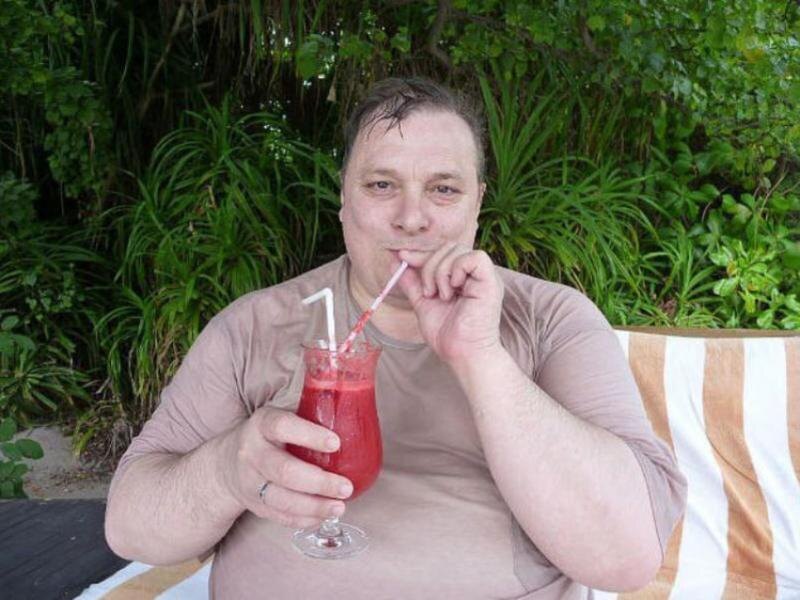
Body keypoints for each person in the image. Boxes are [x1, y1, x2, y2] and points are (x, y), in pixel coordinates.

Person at [105, 77, 687, 599]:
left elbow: (627, 557)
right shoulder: (254, 325)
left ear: (477, 204)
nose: (412, 218)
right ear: (343, 199)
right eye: (382, 184)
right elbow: (130, 528)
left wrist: (481, 359)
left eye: (443, 189)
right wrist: (225, 471)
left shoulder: (551, 320)